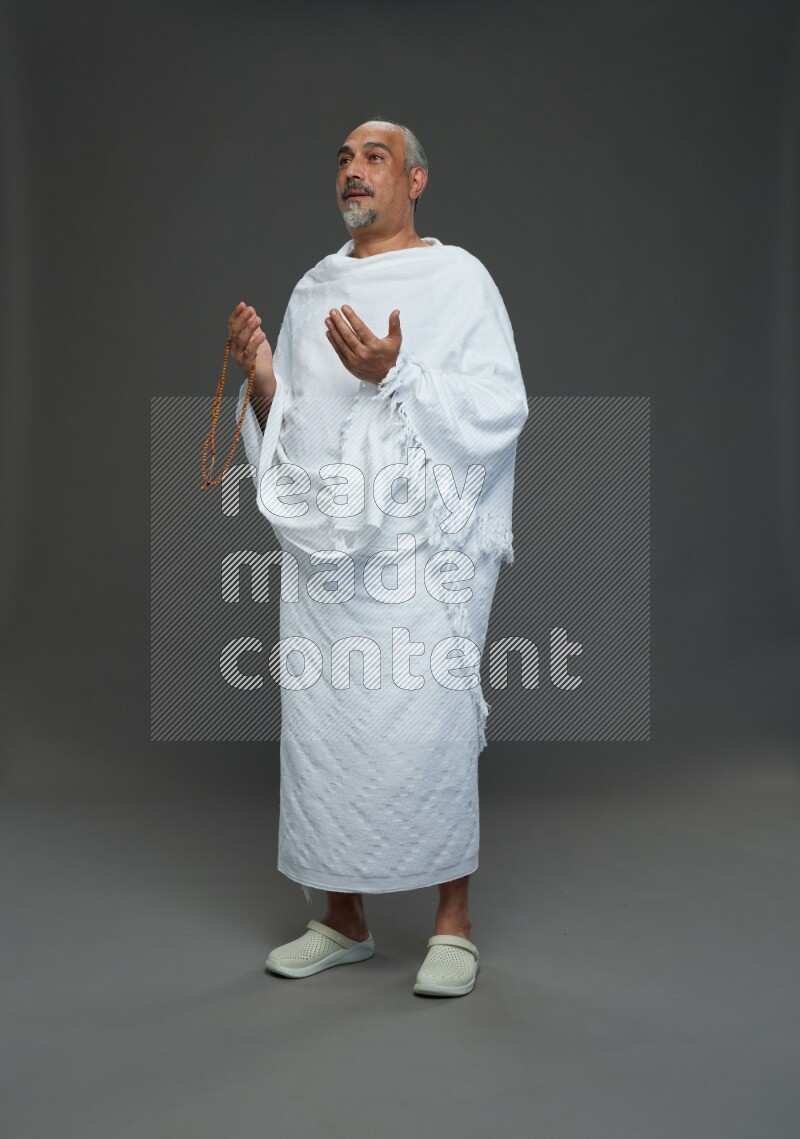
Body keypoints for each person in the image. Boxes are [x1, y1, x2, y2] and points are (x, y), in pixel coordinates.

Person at [227, 118, 528, 997]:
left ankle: (452, 922)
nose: (354, 173)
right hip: (330, 559)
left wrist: (399, 374)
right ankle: (344, 916)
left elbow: (499, 406)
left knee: (429, 723)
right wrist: (263, 386)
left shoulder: (458, 280)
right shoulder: (313, 289)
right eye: (345, 160)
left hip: (420, 556)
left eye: (375, 158)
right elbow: (301, 431)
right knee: (328, 728)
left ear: (416, 180)